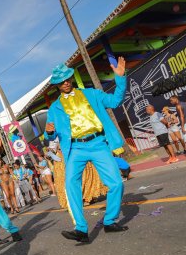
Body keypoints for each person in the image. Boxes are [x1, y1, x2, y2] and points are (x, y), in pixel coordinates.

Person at [45, 57, 129, 244]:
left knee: (116, 183)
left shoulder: (92, 94)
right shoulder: (54, 108)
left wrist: (120, 79)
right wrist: (49, 133)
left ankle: (109, 221)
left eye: (67, 79)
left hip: (98, 143)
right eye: (60, 81)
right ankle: (81, 229)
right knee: (71, 185)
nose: (65, 83)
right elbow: (49, 135)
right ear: (57, 85)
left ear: (71, 78)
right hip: (75, 148)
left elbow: (115, 101)